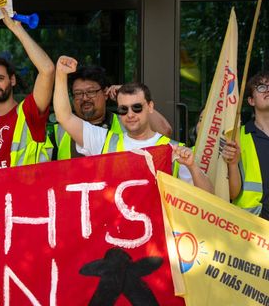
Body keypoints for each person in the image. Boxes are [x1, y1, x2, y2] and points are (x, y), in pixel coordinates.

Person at [54, 56, 213, 192]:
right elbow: (64, 117)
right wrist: (61, 74)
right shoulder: (105, 142)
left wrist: (192, 167)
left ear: (150, 107)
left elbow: (209, 199)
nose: (130, 114)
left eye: (137, 107)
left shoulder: (173, 150)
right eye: (123, 109)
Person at [0, 9, 55, 172]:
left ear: (12, 80)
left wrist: (17, 28)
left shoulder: (28, 112)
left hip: (23, 196)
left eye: (0, 78)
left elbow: (47, 70)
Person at [53, 65, 172, 160]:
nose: (84, 98)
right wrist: (60, 74)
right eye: (78, 93)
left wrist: (125, 95)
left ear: (106, 93)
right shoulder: (60, 130)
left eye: (91, 92)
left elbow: (164, 131)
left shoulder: (127, 121)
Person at [228, 72, 269, 220]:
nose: (268, 90)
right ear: (251, 101)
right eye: (262, 87)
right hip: (251, 228)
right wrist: (232, 163)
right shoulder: (236, 137)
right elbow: (231, 194)